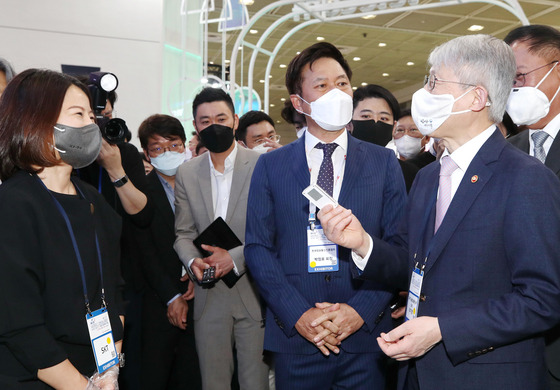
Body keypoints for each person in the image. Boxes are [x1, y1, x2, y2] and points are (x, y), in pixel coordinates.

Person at [317, 34, 560, 390]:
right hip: (417, 373)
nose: (423, 96)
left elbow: (543, 299)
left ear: (477, 97)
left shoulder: (526, 178)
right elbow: (412, 263)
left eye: (434, 83)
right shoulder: (428, 177)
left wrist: (442, 329)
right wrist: (362, 243)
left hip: (487, 375)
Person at [244, 42, 407, 389]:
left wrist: (359, 312)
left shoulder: (384, 163)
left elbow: (398, 247)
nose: (336, 92)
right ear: (299, 103)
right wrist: (299, 314)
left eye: (343, 83)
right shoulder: (270, 166)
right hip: (298, 338)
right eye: (321, 85)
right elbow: (258, 248)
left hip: (367, 340)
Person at [0, 69, 124, 389]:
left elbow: (113, 295)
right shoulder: (13, 205)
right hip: (33, 376)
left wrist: (108, 373)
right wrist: (82, 387)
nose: (90, 125)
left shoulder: (95, 201)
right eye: (77, 114)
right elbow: (19, 324)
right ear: (36, 120)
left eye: (90, 115)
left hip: (95, 372)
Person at [173, 87, 268, 390]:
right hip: (208, 293)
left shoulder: (262, 164)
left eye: (221, 118)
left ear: (235, 120)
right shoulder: (187, 172)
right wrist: (192, 262)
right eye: (204, 120)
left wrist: (235, 257)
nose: (213, 125)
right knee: (213, 383)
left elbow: (273, 229)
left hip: (254, 290)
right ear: (196, 126)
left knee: (256, 383)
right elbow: (183, 233)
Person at [504, 24, 560, 389]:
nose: (514, 89)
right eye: (507, 80)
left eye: (521, 76)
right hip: (512, 345)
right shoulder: (505, 151)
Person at [136, 114, 201, 390]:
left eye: (173, 145)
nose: (168, 152)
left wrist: (200, 274)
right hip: (156, 302)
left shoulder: (201, 184)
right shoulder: (139, 192)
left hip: (201, 295)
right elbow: (143, 250)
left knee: (194, 377)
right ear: (147, 155)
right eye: (158, 148)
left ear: (185, 145)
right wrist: (172, 296)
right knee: (155, 377)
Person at [351, 84, 419, 192]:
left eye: (384, 118)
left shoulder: (408, 173)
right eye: (366, 116)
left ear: (394, 127)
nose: (375, 122)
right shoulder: (335, 166)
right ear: (349, 123)